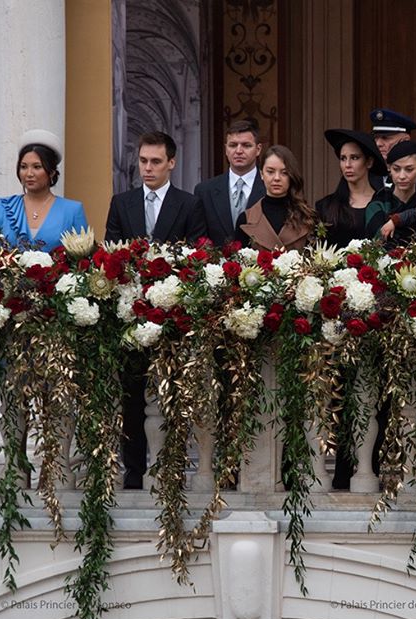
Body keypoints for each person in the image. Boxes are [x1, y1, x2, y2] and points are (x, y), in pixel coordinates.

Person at [104, 130, 206, 489]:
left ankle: (169, 467)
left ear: (171, 163)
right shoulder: (122, 203)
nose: (148, 168)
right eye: (143, 161)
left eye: (156, 162)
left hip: (171, 314)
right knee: (131, 395)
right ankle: (134, 471)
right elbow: (112, 253)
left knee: (171, 393)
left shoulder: (189, 204)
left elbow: (196, 256)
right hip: (130, 313)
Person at [0, 129, 88, 251]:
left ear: (51, 172)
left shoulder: (72, 211)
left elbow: (82, 256)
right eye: (23, 167)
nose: (29, 174)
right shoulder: (3, 207)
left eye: (37, 167)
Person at [195, 120, 266, 248]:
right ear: (226, 149)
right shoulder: (205, 191)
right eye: (233, 145)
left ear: (258, 149)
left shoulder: (270, 188)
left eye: (246, 145)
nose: (238, 151)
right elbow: (200, 239)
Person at [234, 145, 317, 251]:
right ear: (261, 174)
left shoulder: (308, 218)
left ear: (291, 176)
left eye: (284, 173)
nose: (277, 178)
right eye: (270, 171)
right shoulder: (245, 219)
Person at [315, 129, 386, 247]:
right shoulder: (325, 206)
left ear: (369, 162)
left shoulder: (385, 203)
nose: (347, 165)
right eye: (343, 158)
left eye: (354, 158)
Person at [363, 140, 416, 240]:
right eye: (396, 169)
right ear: (389, 168)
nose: (402, 176)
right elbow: (377, 240)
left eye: (409, 169)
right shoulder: (378, 203)